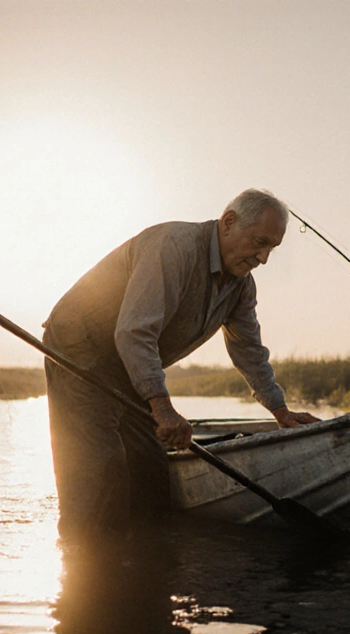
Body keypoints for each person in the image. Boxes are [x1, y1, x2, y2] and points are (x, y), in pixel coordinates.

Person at [42, 188, 319, 540]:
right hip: (80, 347)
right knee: (101, 467)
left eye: (272, 249)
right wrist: (162, 406)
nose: (263, 258)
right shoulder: (174, 247)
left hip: (129, 361)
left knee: (150, 469)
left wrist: (279, 410)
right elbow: (134, 332)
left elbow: (249, 351)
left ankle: (145, 568)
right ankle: (87, 562)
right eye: (260, 242)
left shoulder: (241, 287)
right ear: (229, 222)